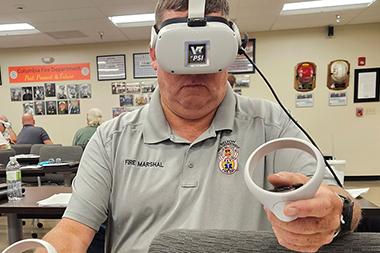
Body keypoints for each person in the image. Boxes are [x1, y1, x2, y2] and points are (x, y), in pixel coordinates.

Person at [38, 1, 361, 253]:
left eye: (209, 52)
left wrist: (336, 213)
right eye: (179, 54)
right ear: (154, 54)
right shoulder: (112, 137)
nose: (194, 69)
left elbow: (340, 200)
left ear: (231, 52)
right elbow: (74, 230)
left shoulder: (271, 124)